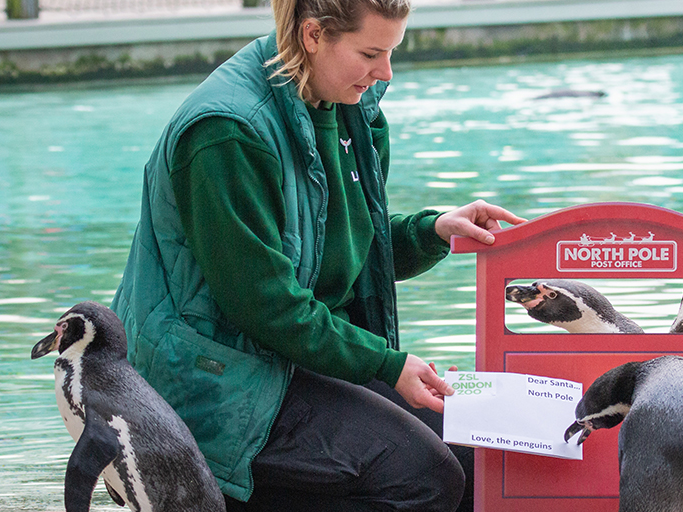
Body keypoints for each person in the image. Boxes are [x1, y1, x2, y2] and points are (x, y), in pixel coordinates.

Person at [110, 0, 524, 509]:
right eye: (372, 52)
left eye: (392, 52)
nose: (385, 72)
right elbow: (265, 303)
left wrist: (432, 231)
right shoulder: (225, 132)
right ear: (312, 36)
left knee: (474, 453)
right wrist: (387, 364)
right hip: (214, 383)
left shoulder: (350, 103)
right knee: (423, 476)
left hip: (291, 355)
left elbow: (336, 257)